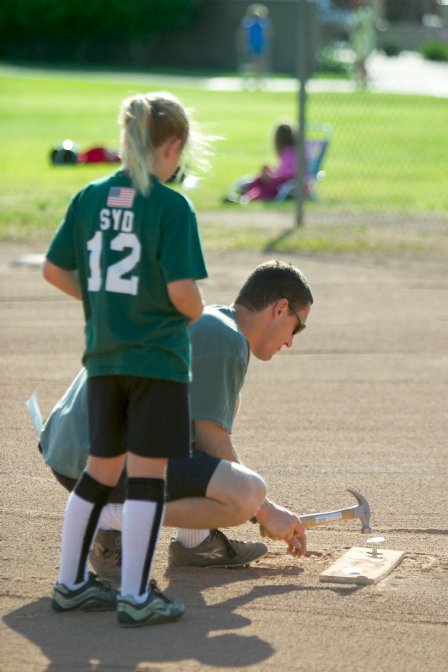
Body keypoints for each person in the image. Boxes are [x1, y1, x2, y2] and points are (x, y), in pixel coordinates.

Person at [38, 260, 312, 586]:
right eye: (297, 327)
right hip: (92, 460)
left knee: (222, 408)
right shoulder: (226, 339)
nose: (290, 342)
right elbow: (214, 445)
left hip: (72, 447)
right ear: (281, 309)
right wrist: (265, 510)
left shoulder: (214, 322)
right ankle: (107, 519)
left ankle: (195, 544)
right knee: (246, 493)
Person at [42, 90, 208, 628]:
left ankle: (70, 583)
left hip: (105, 357)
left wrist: (103, 304)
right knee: (147, 479)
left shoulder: (89, 197)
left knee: (99, 472)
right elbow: (183, 292)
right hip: (156, 358)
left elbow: (54, 269)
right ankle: (136, 595)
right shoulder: (170, 204)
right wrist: (195, 311)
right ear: (172, 147)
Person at [225, 122, 297, 203]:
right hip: (288, 181)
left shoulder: (288, 153)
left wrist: (271, 176)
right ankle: (245, 196)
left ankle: (245, 198)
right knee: (261, 178)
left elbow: (285, 174)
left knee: (260, 184)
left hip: (285, 182)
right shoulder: (296, 152)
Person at [237, 3, 273, 89]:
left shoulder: (264, 22)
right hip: (250, 46)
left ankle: (260, 81)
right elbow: (242, 33)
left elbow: (268, 33)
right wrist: (243, 44)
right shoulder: (247, 21)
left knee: (261, 63)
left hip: (260, 45)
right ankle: (247, 81)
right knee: (249, 64)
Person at [347, 0, 376, 88]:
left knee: (361, 62)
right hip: (358, 41)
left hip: (364, 42)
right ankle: (361, 81)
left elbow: (359, 26)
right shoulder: (357, 13)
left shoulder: (365, 12)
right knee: (359, 62)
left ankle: (363, 81)